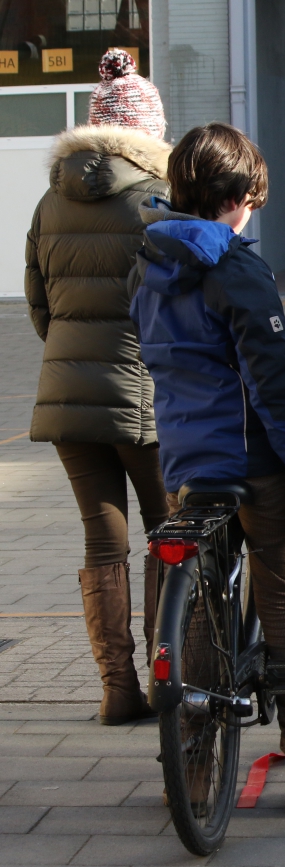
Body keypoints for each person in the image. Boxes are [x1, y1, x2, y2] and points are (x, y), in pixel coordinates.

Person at [128, 123, 285, 815]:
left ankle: (193, 764)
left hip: (186, 463)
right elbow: (276, 390)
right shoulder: (236, 268)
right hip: (253, 465)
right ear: (238, 195)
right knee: (282, 586)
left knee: (198, 603)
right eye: (253, 197)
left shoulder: (149, 264)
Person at [25, 48, 171, 725]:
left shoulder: (50, 201)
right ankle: (173, 670)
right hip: (141, 396)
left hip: (66, 398)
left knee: (100, 540)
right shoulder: (156, 202)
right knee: (170, 532)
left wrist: (70, 358)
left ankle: (118, 689)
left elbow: (38, 305)